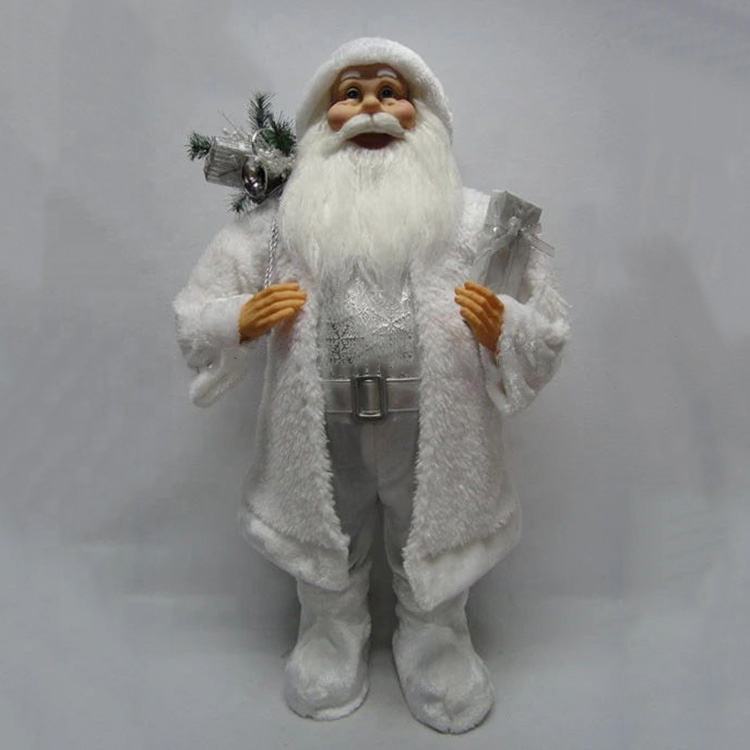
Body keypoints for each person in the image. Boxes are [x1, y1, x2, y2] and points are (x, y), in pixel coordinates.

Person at [173, 37, 570, 734]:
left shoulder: (476, 222)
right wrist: (239, 318)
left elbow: (548, 322)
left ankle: (436, 644)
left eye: (390, 92)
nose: (370, 109)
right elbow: (195, 308)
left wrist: (504, 325)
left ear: (425, 113)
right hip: (323, 434)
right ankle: (330, 636)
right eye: (350, 94)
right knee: (330, 540)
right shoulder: (282, 227)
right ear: (321, 119)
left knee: (430, 540)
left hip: (434, 434)